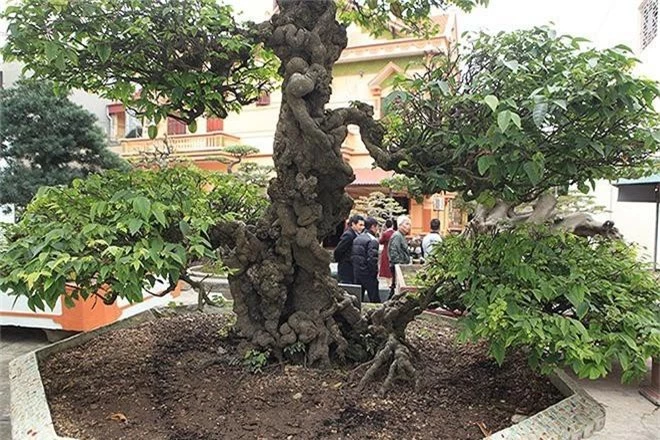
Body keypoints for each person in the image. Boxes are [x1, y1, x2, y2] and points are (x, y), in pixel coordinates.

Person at [351, 217, 380, 303]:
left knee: (358, 300)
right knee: (374, 299)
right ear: (373, 227)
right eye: (377, 227)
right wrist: (374, 273)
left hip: (357, 272)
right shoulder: (372, 240)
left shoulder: (357, 238)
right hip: (368, 274)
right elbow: (372, 259)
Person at [333, 214, 364, 283]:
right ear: (353, 224)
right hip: (346, 267)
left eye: (363, 225)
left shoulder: (356, 235)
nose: (362, 227)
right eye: (360, 225)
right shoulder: (349, 235)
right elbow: (339, 250)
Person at [388, 215, 411, 297]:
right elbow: (393, 251)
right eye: (407, 224)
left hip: (400, 266)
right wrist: (398, 265)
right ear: (400, 225)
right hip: (397, 267)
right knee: (396, 289)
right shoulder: (397, 236)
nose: (409, 226)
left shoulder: (401, 236)